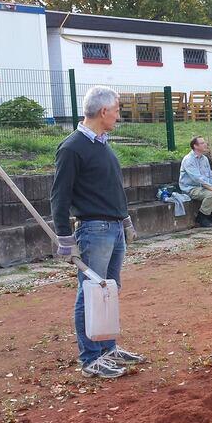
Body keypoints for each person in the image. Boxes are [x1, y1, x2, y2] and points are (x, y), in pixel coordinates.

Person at [51, 86, 146, 379]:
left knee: (109, 293)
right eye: (117, 110)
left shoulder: (102, 144)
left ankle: (107, 348)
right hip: (94, 229)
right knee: (91, 293)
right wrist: (65, 237)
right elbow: (59, 196)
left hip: (113, 228)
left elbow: (112, 187)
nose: (119, 115)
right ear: (103, 111)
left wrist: (125, 219)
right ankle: (91, 357)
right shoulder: (72, 148)